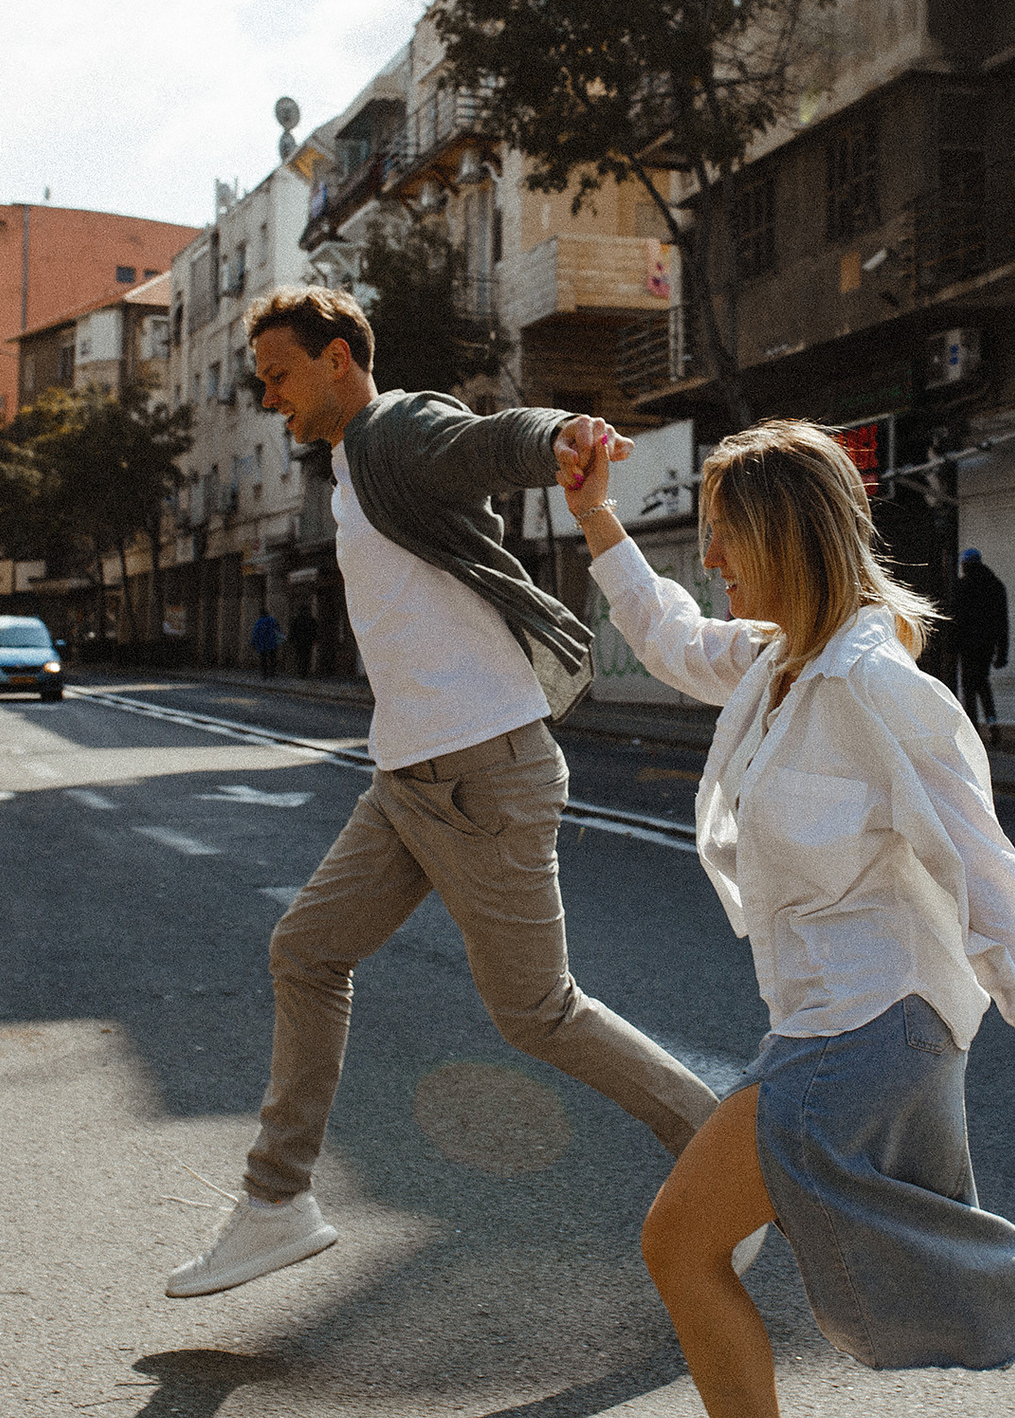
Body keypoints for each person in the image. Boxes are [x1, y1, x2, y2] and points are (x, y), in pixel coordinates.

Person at [560, 420, 1015, 1418]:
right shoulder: (775, 669)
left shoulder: (872, 684)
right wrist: (594, 515)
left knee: (681, 1242)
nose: (710, 557)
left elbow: (979, 858)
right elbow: (665, 634)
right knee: (938, 1253)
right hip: (839, 1027)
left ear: (785, 539)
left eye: (725, 535)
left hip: (869, 1029)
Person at [164, 284, 719, 1300]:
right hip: (410, 776)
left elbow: (485, 440)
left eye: (279, 377)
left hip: (477, 770)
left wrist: (559, 435)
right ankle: (278, 1201)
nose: (269, 400)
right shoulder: (346, 469)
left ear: (338, 359)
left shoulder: (393, 428)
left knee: (536, 1013)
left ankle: (722, 1153)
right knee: (307, 950)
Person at [951, 546, 1008, 749]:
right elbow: (1003, 623)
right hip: (986, 646)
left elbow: (954, 620)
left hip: (966, 646)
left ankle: (973, 731)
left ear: (964, 565)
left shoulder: (961, 587)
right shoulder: (996, 586)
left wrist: (952, 647)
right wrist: (1002, 652)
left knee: (968, 687)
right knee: (983, 683)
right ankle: (992, 722)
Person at [250, 609, 284, 681]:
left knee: (263, 658)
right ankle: (272, 672)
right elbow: (278, 630)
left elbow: (255, 633)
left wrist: (253, 642)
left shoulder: (259, 622)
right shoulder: (273, 620)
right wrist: (280, 640)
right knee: (272, 657)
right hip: (272, 642)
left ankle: (264, 673)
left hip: (262, 643)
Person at [288, 605, 319, 678]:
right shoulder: (311, 620)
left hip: (299, 641)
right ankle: (305, 671)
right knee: (307, 656)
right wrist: (315, 639)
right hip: (308, 641)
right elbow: (315, 630)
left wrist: (291, 639)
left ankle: (301, 671)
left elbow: (293, 630)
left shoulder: (297, 619)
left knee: (299, 656)